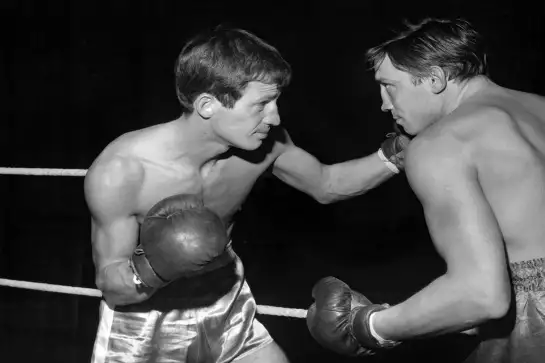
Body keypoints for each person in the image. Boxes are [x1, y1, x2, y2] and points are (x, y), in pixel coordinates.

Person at [84, 25, 409, 363]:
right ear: (208, 105)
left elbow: (327, 183)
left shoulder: (267, 144)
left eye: (276, 101)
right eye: (262, 104)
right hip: (146, 324)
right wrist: (154, 267)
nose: (275, 117)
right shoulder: (122, 171)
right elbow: (112, 286)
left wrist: (396, 154)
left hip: (227, 304)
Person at [306, 17, 545, 363]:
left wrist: (371, 326)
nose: (385, 104)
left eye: (390, 86)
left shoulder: (442, 143)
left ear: (434, 79)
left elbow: (481, 294)